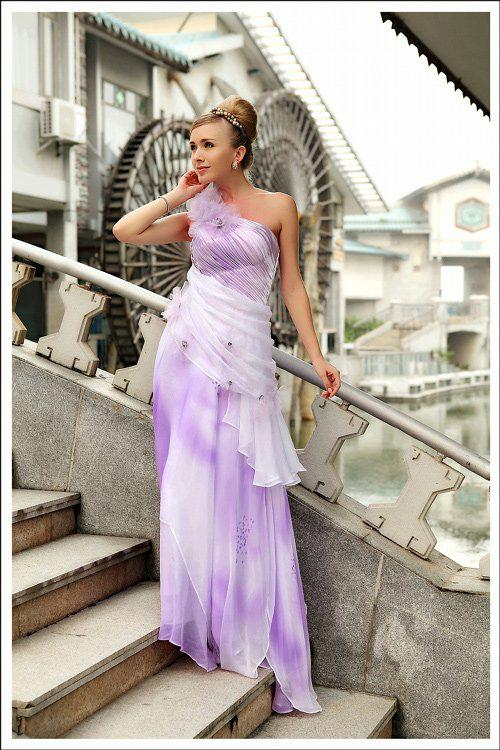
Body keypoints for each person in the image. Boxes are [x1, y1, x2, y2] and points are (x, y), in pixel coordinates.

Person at [112, 95, 341, 715]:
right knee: (190, 480)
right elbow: (125, 231)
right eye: (193, 145)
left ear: (238, 153)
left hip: (245, 363)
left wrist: (316, 356)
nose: (197, 155)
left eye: (207, 146)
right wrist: (179, 195)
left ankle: (238, 615)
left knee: (242, 484)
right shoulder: (197, 212)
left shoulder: (280, 207)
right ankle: (201, 611)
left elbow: (291, 285)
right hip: (189, 355)